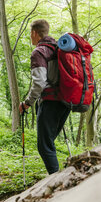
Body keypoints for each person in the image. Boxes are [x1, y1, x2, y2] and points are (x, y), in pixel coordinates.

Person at [19, 19, 70, 175]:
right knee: (49, 142)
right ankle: (59, 176)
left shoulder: (39, 52)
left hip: (50, 102)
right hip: (66, 101)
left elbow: (40, 82)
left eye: (30, 33)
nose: (30, 36)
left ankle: (57, 180)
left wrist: (27, 102)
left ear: (34, 33)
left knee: (44, 145)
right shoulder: (59, 48)